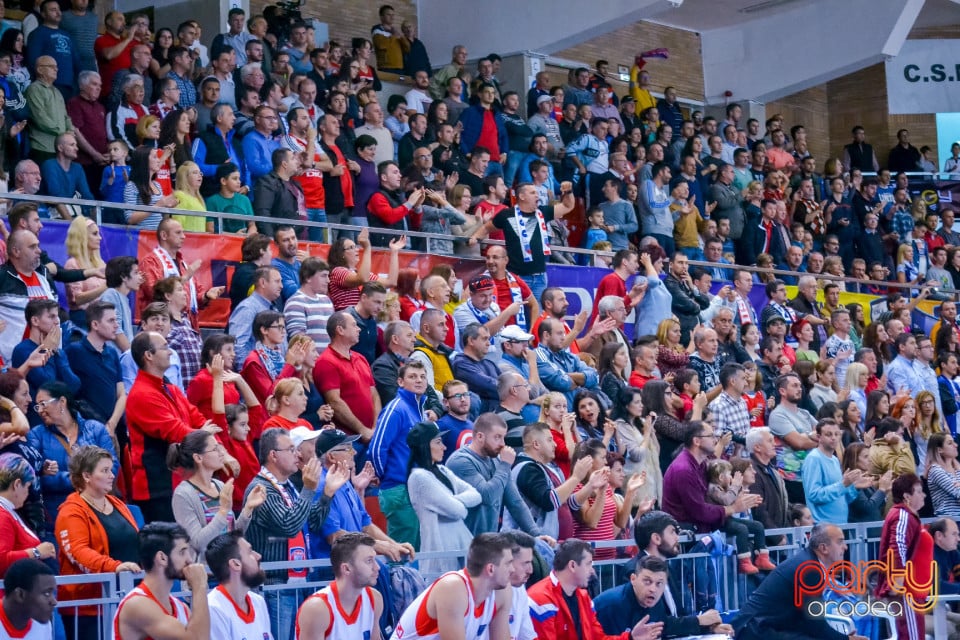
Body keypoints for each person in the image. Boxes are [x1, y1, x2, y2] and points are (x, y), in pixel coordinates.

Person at [242, 427, 348, 640]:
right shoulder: (262, 489)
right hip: (274, 586)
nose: (297, 454)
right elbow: (289, 526)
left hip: (296, 582)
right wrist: (309, 489)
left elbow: (312, 523)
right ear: (273, 455)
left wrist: (327, 493)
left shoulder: (287, 486)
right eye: (290, 449)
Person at [126, 330, 225, 523]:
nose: (171, 352)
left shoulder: (169, 388)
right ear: (148, 355)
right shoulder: (141, 394)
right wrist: (205, 436)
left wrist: (219, 447)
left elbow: (198, 418)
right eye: (164, 347)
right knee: (171, 548)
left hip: (180, 480)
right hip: (159, 488)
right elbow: (178, 433)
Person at [57, 446, 140, 640]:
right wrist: (115, 567)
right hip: (88, 607)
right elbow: (78, 552)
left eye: (111, 469)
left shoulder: (116, 503)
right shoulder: (70, 511)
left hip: (126, 597)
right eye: (104, 471)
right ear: (86, 476)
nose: (112, 475)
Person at [733, 523, 866, 640]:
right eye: (840, 542)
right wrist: (844, 639)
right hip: (757, 630)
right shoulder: (810, 570)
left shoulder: (808, 561)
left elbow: (808, 620)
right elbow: (815, 622)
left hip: (760, 626)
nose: (845, 547)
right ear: (823, 548)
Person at [528, 538, 663, 640]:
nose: (592, 571)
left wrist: (630, 638)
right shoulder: (541, 600)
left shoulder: (584, 598)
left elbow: (599, 638)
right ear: (573, 566)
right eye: (588, 564)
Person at [26, 380, 117, 530]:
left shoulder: (95, 429)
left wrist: (69, 477)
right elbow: (36, 477)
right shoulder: (36, 435)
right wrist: (86, 479)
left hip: (98, 509)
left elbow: (113, 467)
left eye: (43, 403)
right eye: (37, 406)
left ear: (62, 401)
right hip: (58, 513)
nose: (40, 410)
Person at [469, 181, 576, 306]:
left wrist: (568, 192)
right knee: (517, 314)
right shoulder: (506, 215)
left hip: (539, 277)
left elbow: (568, 206)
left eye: (537, 192)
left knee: (537, 316)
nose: (537, 195)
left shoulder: (543, 212)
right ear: (522, 196)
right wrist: (475, 237)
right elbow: (487, 227)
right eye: (532, 193)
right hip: (517, 277)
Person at [393, 532, 513, 639]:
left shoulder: (502, 591)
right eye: (508, 564)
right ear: (490, 569)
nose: (512, 569)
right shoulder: (452, 588)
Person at [170, 430, 266, 557]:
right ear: (198, 457)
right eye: (215, 449)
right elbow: (197, 543)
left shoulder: (219, 485)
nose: (222, 453)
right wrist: (223, 511)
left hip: (230, 566)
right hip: (207, 572)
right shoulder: (183, 494)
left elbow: (232, 535)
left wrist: (248, 508)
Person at [447, 413, 542, 537]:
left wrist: (536, 534)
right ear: (480, 436)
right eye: (497, 437)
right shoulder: (460, 461)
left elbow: (515, 502)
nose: (503, 443)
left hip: (488, 542)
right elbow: (487, 497)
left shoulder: (497, 460)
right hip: (462, 543)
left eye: (503, 437)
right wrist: (505, 465)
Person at [406, 420, 481, 575]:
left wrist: (452, 500)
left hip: (461, 547)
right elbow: (459, 511)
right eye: (438, 442)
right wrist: (455, 502)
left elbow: (476, 494)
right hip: (440, 554)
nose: (444, 447)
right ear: (425, 446)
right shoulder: (419, 478)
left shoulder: (442, 470)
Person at [113, 522, 210, 640]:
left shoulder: (181, 607)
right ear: (162, 558)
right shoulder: (137, 605)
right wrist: (199, 586)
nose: (189, 560)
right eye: (182, 552)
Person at [595, 554, 731, 638]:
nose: (653, 589)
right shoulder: (612, 606)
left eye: (659, 583)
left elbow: (666, 626)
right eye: (647, 581)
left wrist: (708, 628)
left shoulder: (654, 601)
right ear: (633, 579)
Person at [369, 361, 429, 548]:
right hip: (398, 488)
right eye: (412, 377)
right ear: (400, 382)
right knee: (404, 550)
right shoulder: (397, 408)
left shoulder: (418, 410)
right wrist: (384, 476)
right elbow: (377, 447)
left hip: (414, 487)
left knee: (415, 548)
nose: (418, 380)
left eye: (422, 376)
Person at [295, 532, 383, 640]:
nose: (377, 567)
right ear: (346, 569)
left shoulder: (375, 599)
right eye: (369, 561)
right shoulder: (317, 609)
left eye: (375, 560)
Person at [875, 473, 932, 640]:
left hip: (912, 591)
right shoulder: (903, 515)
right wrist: (898, 582)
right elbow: (897, 548)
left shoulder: (907, 516)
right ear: (907, 496)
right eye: (919, 492)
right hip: (907, 591)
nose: (924, 495)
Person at [801, 419, 871, 525]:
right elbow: (814, 495)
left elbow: (841, 497)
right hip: (823, 526)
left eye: (837, 434)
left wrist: (854, 487)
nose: (833, 438)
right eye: (828, 434)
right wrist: (843, 484)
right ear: (819, 437)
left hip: (840, 524)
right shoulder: (814, 459)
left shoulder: (834, 460)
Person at [204, 531, 272, 639]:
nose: (258, 556)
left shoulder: (258, 601)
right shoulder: (213, 608)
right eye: (250, 552)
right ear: (235, 564)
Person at [0, 454, 53, 575]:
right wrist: (36, 553)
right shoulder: (2, 515)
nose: (28, 493)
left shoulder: (8, 511)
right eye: (28, 487)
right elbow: (1, 561)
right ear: (17, 484)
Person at [0, 558, 57, 637]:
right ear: (20, 595)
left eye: (53, 593)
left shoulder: (42, 625)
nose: (54, 602)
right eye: (46, 593)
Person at [926, 432, 960, 518]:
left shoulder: (957, 470)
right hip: (947, 522)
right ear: (939, 450)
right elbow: (958, 493)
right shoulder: (936, 470)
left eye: (954, 442)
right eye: (950, 443)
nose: (955, 445)